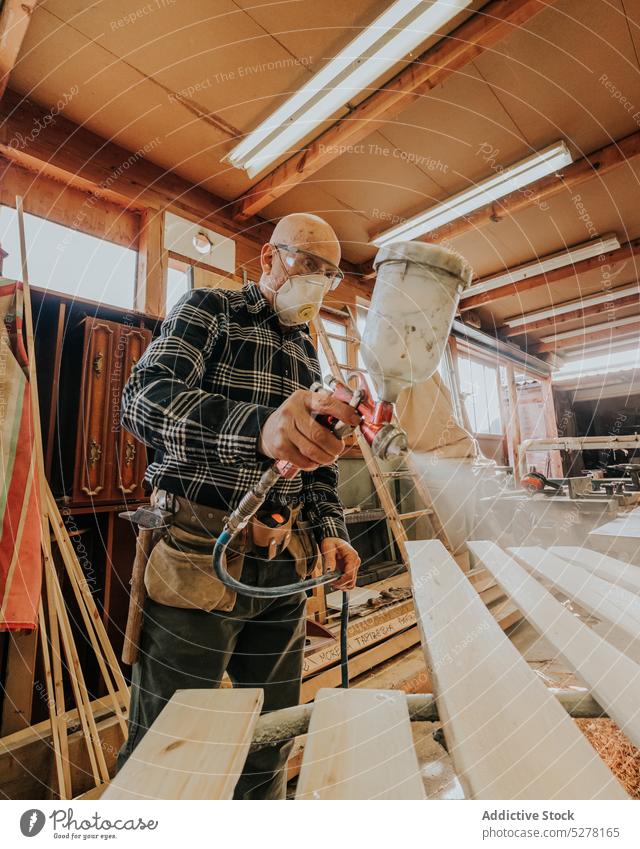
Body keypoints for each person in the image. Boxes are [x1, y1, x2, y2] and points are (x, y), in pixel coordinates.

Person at [117, 212, 361, 799]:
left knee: (270, 739)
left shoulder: (307, 354)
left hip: (283, 562)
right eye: (305, 263)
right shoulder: (210, 310)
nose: (316, 282)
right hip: (200, 552)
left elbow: (314, 462)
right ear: (267, 258)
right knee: (170, 741)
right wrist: (259, 429)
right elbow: (144, 401)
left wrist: (330, 528)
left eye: (328, 275)